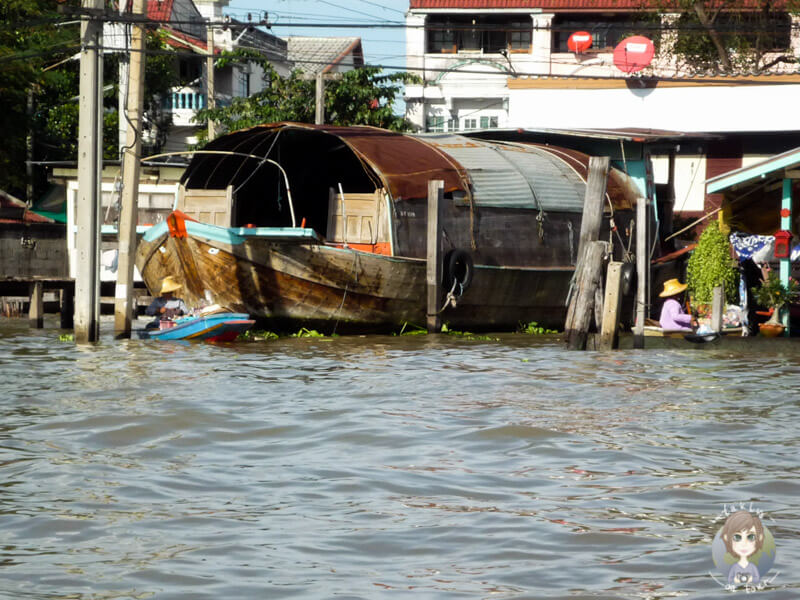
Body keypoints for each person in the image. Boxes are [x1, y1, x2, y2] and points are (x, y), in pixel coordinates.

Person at [722, 510, 764, 587]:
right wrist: (735, 580)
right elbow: (729, 580)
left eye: (751, 537)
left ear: (760, 538)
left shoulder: (752, 567)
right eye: (737, 537)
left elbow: (757, 579)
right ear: (727, 538)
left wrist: (751, 579)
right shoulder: (734, 567)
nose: (744, 543)